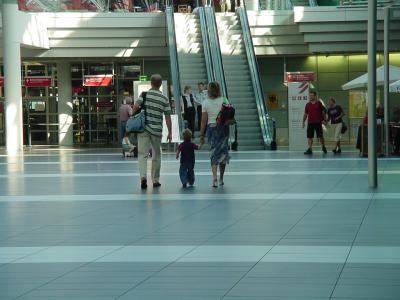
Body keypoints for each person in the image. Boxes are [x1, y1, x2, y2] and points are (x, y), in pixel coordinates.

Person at [133, 74, 172, 189]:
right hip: (156, 131)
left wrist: (133, 114)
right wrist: (170, 132)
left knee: (142, 154)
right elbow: (168, 117)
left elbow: (135, 107)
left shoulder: (144, 95)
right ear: (160, 84)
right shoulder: (164, 98)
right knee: (156, 155)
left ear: (151, 83)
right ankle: (155, 180)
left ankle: (143, 177)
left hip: (143, 129)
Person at [199, 82, 230, 188]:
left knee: (214, 152)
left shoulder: (205, 102)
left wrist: (201, 135)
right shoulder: (224, 100)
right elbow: (230, 114)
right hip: (223, 128)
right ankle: (221, 178)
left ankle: (214, 178)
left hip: (211, 128)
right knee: (223, 152)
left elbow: (203, 121)